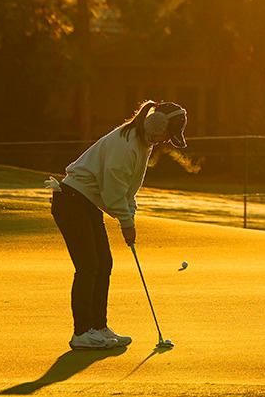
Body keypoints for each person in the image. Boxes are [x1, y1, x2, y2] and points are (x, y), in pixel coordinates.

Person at [50, 100, 187, 350]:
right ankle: (82, 332)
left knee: (103, 264)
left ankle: (98, 327)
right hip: (71, 200)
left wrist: (129, 217)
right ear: (157, 125)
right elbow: (113, 192)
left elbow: (128, 190)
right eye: (169, 133)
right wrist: (126, 223)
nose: (167, 140)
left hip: (85, 203)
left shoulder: (141, 142)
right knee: (89, 265)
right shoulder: (126, 145)